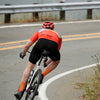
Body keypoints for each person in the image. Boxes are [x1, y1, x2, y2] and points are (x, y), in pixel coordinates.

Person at [14, 21, 62, 100]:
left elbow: (27, 46)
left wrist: (23, 54)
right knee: (57, 61)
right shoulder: (58, 35)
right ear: (53, 28)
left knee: (29, 67)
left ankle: (20, 90)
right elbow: (55, 52)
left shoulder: (40, 31)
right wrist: (46, 63)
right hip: (52, 46)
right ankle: (42, 75)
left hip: (40, 44)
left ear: (43, 27)